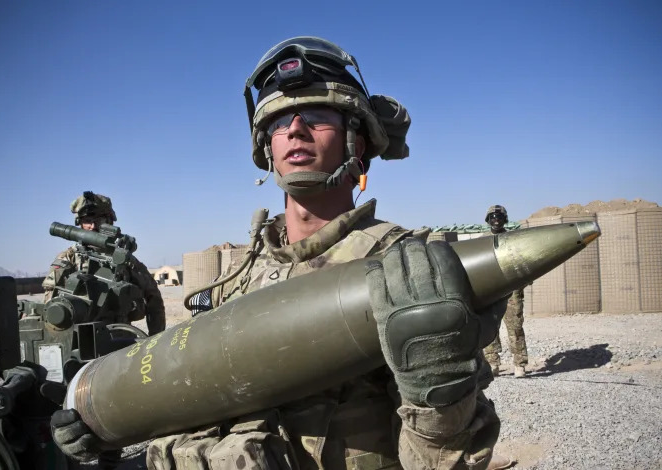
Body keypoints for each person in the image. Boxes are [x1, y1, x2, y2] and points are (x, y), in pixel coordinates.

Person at [52, 38, 512, 470]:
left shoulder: (405, 269)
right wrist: (103, 424)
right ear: (266, 147)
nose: (294, 129)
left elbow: (447, 459)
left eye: (317, 117)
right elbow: (191, 395)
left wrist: (439, 391)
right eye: (279, 122)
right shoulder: (239, 273)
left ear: (359, 142)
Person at [42, 191, 166, 335]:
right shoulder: (68, 258)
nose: (93, 226)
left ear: (110, 221)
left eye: (98, 219)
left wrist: (155, 339)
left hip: (118, 339)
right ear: (79, 224)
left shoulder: (125, 260)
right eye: (87, 220)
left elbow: (154, 300)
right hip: (77, 338)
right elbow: (50, 304)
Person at [482, 205, 529, 378]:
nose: (496, 220)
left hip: (511, 288)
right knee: (489, 328)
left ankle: (519, 364)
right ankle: (493, 363)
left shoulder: (512, 238)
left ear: (504, 219)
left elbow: (524, 261)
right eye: (493, 217)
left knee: (515, 327)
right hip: (491, 289)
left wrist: (521, 284)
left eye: (499, 217)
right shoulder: (483, 240)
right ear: (488, 220)